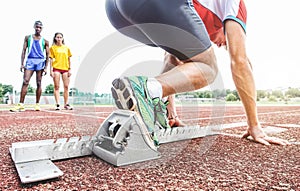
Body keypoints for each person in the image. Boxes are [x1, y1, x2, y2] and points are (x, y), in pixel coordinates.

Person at [105, 0, 289, 146]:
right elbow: (240, 62)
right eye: (224, 41)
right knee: (208, 68)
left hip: (116, 11)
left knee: (185, 57)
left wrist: (171, 113)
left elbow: (171, 59)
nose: (221, 44)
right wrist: (254, 125)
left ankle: (156, 108)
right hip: (154, 4)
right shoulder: (235, 5)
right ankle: (144, 90)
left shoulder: (196, 16)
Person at [10, 20, 49, 112]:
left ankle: (37, 104)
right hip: (30, 61)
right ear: (34, 27)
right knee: (25, 81)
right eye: (37, 27)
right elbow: (23, 51)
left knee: (39, 83)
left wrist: (46, 67)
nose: (38, 29)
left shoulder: (45, 41)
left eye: (40, 27)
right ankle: (21, 104)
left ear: (42, 28)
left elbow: (47, 55)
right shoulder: (28, 38)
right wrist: (22, 63)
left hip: (40, 62)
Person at [49, 32, 73, 110]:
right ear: (55, 38)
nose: (59, 39)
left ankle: (66, 104)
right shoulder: (52, 48)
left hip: (65, 69)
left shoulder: (66, 48)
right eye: (57, 37)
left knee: (66, 86)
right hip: (56, 68)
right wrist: (51, 70)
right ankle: (58, 104)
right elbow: (51, 60)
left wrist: (70, 69)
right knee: (57, 86)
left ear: (62, 38)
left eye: (60, 37)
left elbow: (69, 59)